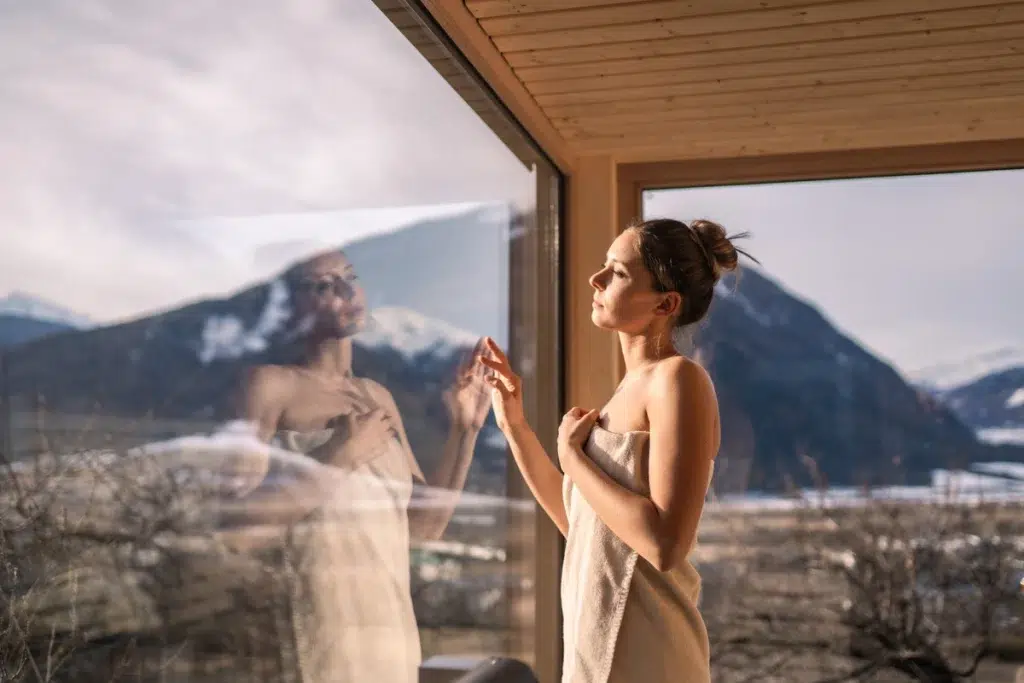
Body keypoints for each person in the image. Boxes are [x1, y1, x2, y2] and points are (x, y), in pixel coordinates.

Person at [481, 218, 754, 683]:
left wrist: (573, 459)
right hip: (597, 647)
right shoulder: (629, 389)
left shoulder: (678, 380)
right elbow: (586, 525)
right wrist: (514, 425)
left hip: (650, 652)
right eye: (605, 266)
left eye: (618, 272)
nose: (596, 279)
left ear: (665, 303)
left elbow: (664, 544)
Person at [225, 248, 491, 683]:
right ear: (293, 306)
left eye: (350, 276)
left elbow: (425, 526)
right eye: (325, 285)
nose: (347, 291)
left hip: (389, 628)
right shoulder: (269, 386)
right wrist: (340, 455)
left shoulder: (376, 396)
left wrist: (465, 430)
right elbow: (237, 529)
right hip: (319, 627)